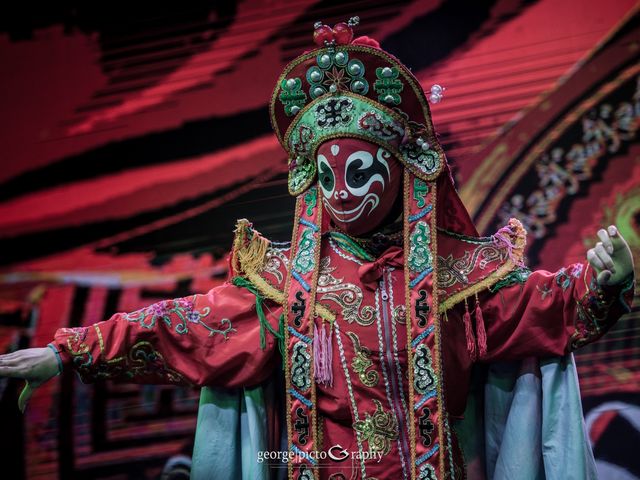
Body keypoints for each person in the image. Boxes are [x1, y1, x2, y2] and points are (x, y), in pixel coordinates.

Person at [0, 18, 635, 480]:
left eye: (360, 173)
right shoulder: (285, 288)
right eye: (327, 176)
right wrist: (67, 351)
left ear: (400, 170)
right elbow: (181, 328)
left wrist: (602, 282)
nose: (342, 192)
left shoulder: (459, 280)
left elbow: (546, 307)